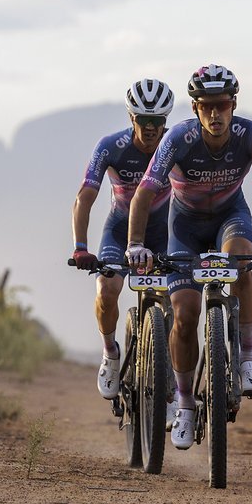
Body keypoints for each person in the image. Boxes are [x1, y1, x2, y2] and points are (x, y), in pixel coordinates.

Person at [126, 64, 252, 450]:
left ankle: (247, 359)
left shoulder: (250, 134)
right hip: (183, 227)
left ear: (233, 104)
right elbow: (143, 194)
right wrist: (136, 243)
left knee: (241, 262)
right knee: (185, 316)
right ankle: (186, 403)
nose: (216, 114)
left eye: (222, 105)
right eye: (207, 107)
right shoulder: (179, 138)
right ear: (195, 107)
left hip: (229, 218)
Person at [72, 79, 175, 400]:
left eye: (157, 122)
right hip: (118, 231)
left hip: (164, 234)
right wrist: (80, 247)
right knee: (107, 289)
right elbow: (85, 197)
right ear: (131, 118)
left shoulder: (174, 147)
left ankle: (166, 378)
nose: (150, 129)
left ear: (165, 122)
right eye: (143, 121)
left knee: (176, 302)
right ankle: (110, 354)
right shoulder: (110, 146)